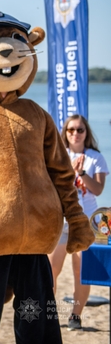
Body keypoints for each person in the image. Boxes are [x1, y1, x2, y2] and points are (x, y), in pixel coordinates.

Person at [48, 114, 108, 330]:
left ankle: (75, 316)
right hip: (61, 221)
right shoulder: (58, 155)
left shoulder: (96, 158)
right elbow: (51, 186)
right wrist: (69, 170)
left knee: (81, 271)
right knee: (51, 270)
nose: (75, 133)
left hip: (87, 223)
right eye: (71, 130)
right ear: (65, 132)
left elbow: (98, 189)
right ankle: (49, 315)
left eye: (80, 130)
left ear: (86, 132)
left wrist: (81, 172)